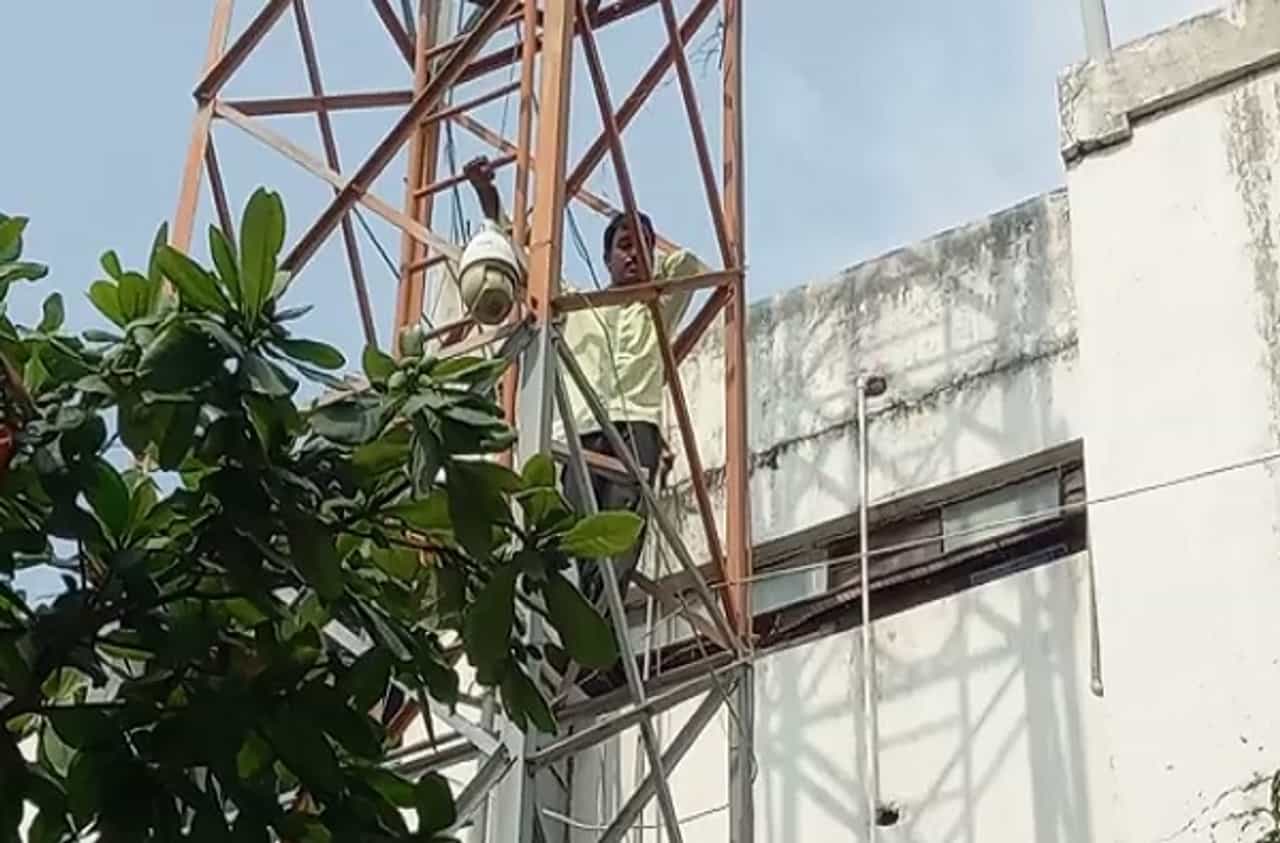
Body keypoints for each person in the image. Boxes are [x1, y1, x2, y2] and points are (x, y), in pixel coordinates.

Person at [462, 155, 706, 609]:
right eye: (625, 246)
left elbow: (688, 266)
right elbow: (520, 257)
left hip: (637, 426)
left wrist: (645, 258)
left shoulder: (657, 307)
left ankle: (599, 622)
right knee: (580, 536)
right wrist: (488, 196)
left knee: (623, 535)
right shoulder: (576, 305)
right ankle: (582, 623)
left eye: (644, 248)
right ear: (606, 258)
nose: (635, 255)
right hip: (582, 430)